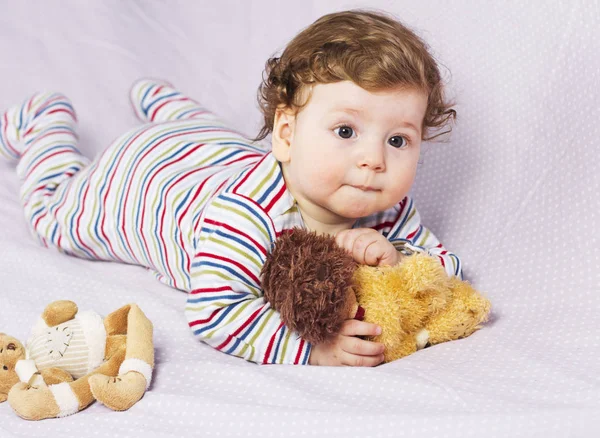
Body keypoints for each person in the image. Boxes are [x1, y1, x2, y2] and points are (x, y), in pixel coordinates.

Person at [0, 9, 461, 367]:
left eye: (398, 139)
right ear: (286, 134)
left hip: (216, 150)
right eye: (346, 131)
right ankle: (44, 125)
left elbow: (446, 268)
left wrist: (399, 258)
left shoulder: (386, 208)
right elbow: (215, 314)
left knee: (218, 137)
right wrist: (312, 351)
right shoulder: (245, 216)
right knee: (51, 219)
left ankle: (169, 106)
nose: (374, 159)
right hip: (145, 176)